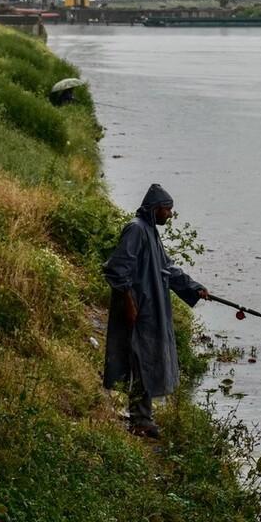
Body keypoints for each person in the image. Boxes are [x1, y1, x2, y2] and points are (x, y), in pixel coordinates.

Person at [102, 183, 209, 438]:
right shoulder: (136, 230)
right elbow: (117, 269)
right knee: (140, 360)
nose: (170, 215)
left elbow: (167, 269)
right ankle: (140, 420)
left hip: (152, 310)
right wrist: (129, 303)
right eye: (167, 210)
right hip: (139, 311)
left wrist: (194, 288)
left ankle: (143, 418)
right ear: (155, 209)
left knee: (148, 360)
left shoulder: (150, 231)